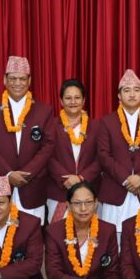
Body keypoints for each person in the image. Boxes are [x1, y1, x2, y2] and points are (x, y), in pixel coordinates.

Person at [0, 56, 55, 224]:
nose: (17, 83)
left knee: (32, 234)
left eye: (22, 79)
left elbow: (48, 146)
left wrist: (27, 174)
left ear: (29, 81)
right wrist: (8, 174)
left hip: (32, 185)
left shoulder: (44, 111)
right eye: (13, 78)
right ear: (4, 80)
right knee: (0, 235)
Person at [96, 69, 140, 239]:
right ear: (119, 96)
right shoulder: (107, 122)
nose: (132, 94)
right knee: (113, 238)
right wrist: (127, 179)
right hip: (116, 188)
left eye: (136, 90)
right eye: (127, 90)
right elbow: (104, 155)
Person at [45, 79, 102, 223]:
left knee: (90, 234)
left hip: (89, 192)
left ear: (83, 100)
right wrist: (65, 179)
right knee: (59, 233)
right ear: (61, 101)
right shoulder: (51, 125)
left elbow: (101, 157)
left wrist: (81, 178)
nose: (73, 102)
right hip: (59, 190)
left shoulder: (96, 126)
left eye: (77, 97)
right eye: (68, 98)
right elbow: (46, 155)